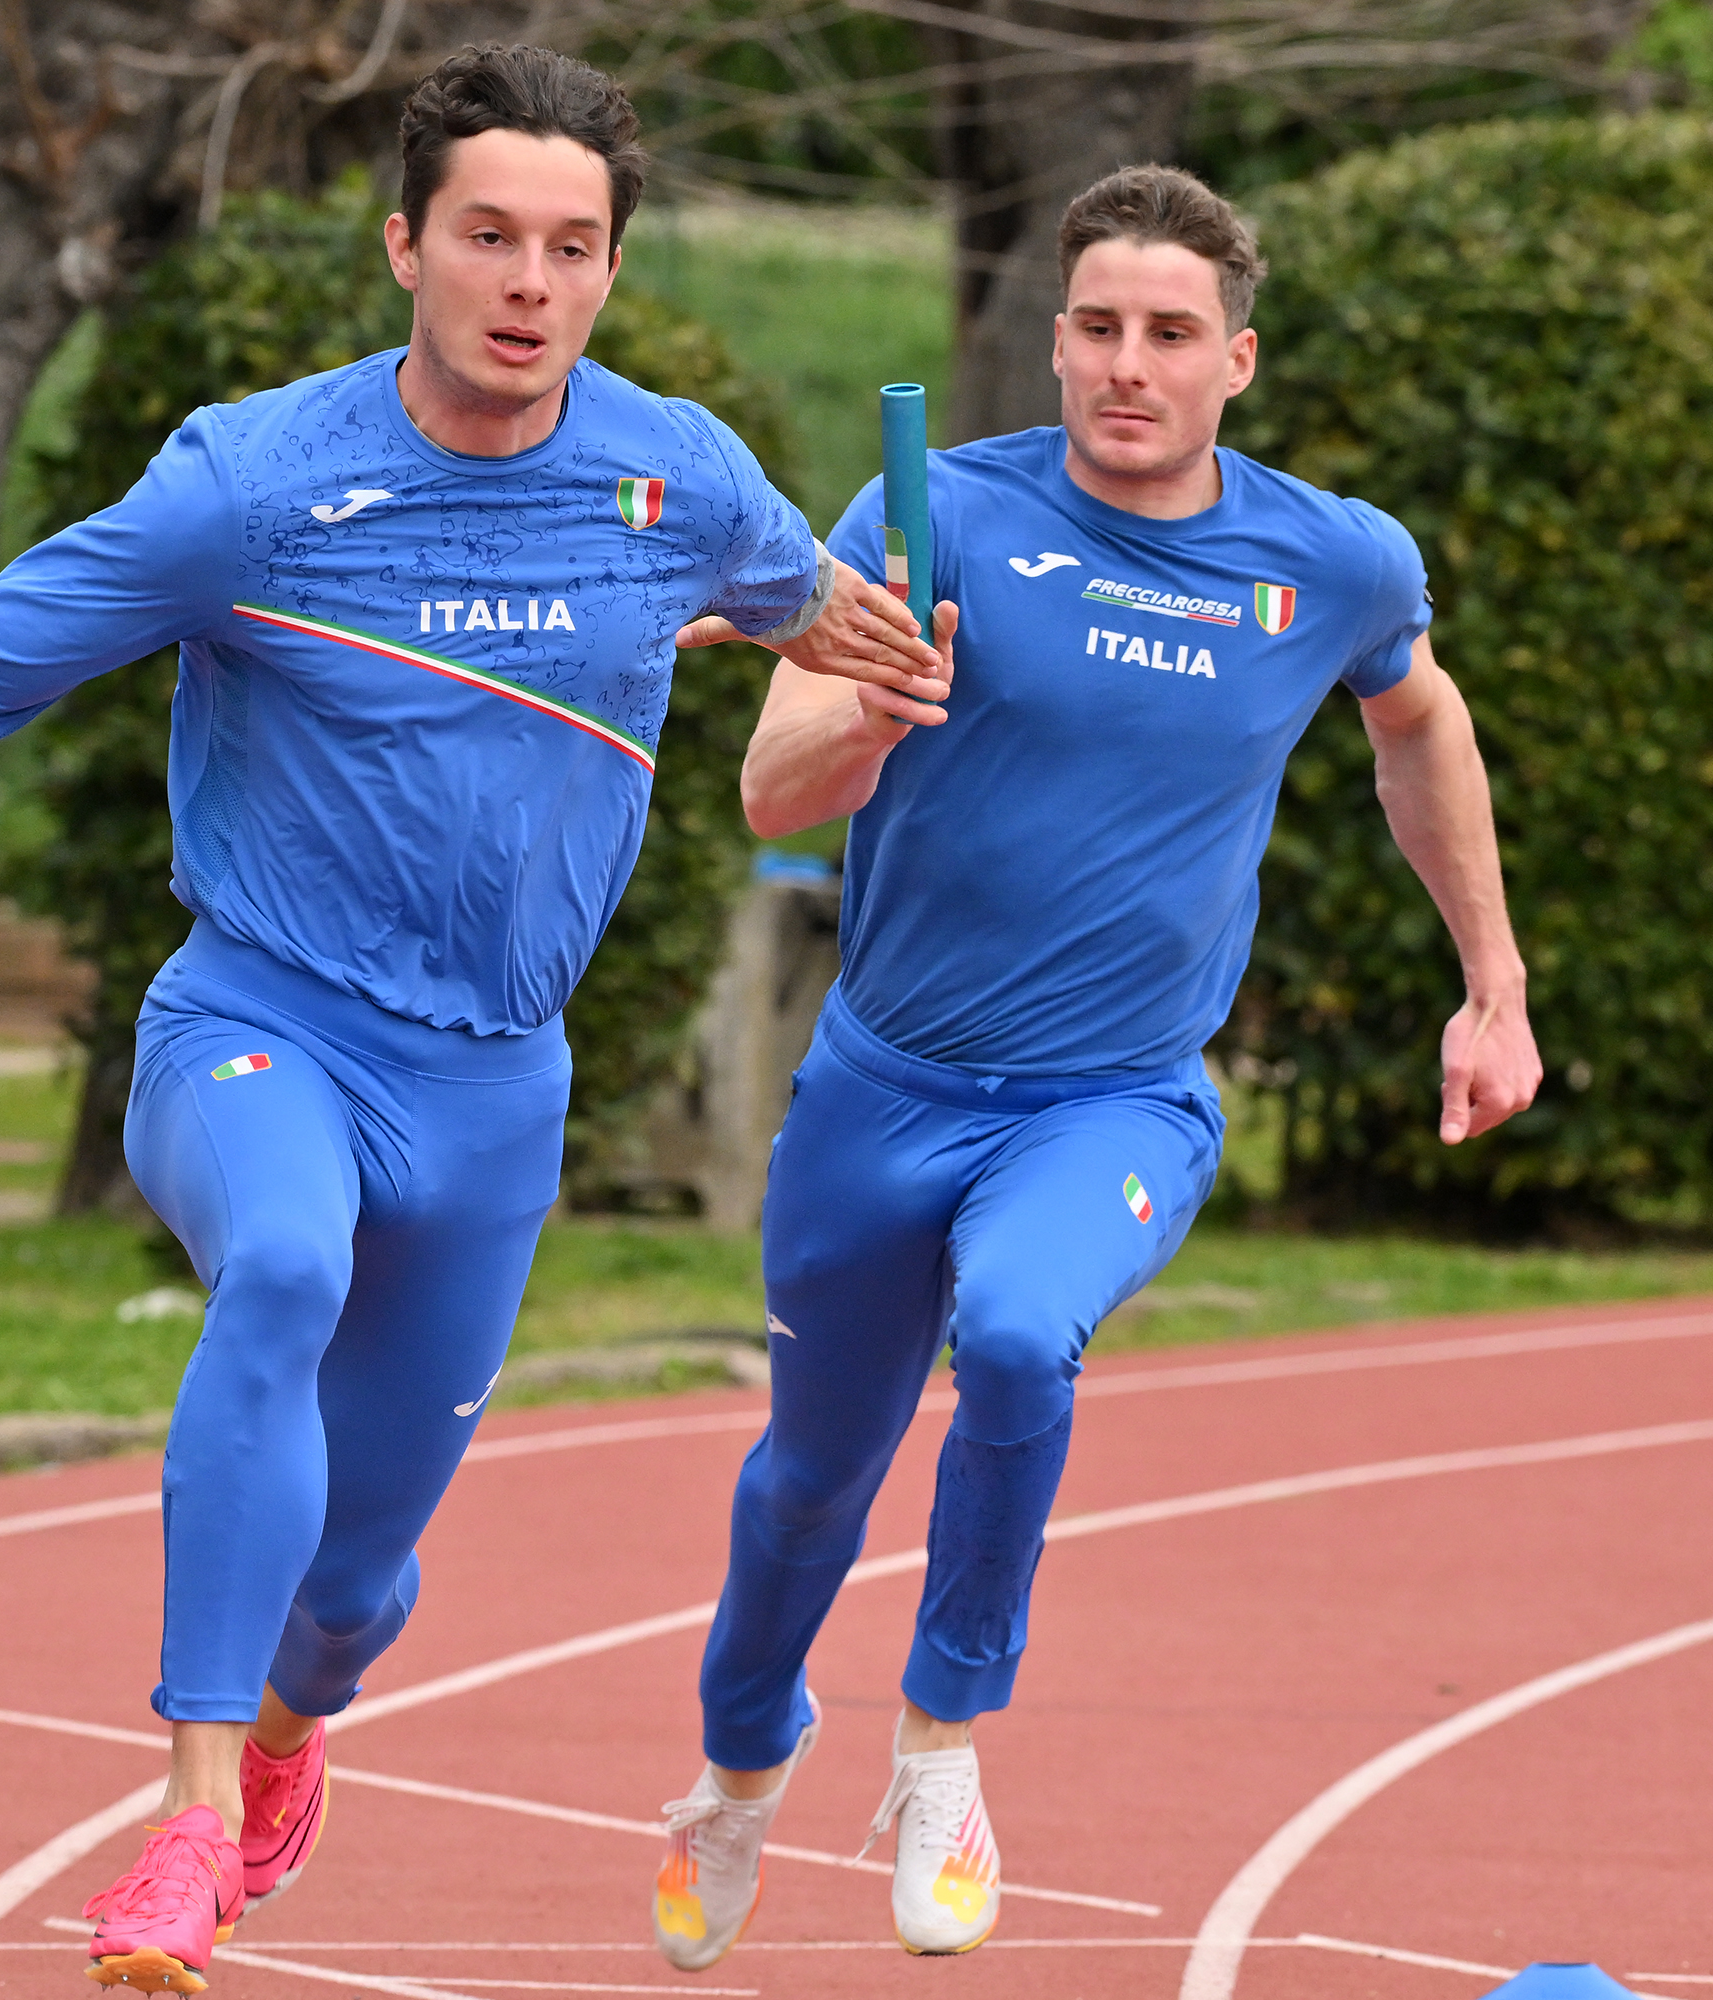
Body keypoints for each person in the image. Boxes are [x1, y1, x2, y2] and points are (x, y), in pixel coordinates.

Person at [0, 45, 949, 1998]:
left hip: (495, 1094)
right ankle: (188, 1817)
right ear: (405, 244)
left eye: (571, 248)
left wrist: (880, 648)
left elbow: (793, 598)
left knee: (361, 1585)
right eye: (487, 235)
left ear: (608, 270)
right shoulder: (253, 485)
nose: (528, 282)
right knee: (286, 1265)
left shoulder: (682, 482)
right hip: (262, 1023)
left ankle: (295, 1731)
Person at [648, 163, 1544, 1968]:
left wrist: (1495, 982)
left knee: (1014, 1334)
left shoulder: (1333, 563)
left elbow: (1420, 720)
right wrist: (876, 708)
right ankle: (741, 1764)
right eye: (1102, 329)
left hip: (1114, 1098)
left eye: (1172, 334)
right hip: (886, 1089)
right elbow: (770, 790)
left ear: (1238, 361)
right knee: (808, 1484)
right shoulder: (935, 521)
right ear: (1056, 342)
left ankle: (941, 1745)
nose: (1132, 365)